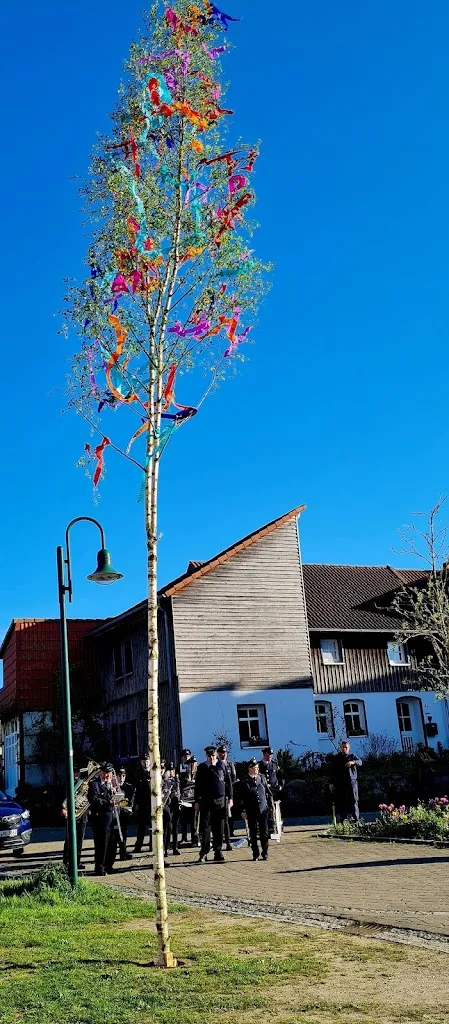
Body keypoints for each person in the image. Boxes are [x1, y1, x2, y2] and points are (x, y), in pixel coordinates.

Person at [194, 745, 233, 863]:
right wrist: (196, 801)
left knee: (219, 828)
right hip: (206, 801)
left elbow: (228, 783)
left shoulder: (222, 765)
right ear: (206, 756)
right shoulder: (202, 767)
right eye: (209, 756)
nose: (211, 758)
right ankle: (204, 852)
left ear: (216, 755)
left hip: (220, 801)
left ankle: (218, 851)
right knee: (205, 828)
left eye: (213, 755)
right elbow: (198, 786)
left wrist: (230, 799)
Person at [88, 763, 115, 876]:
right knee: (101, 844)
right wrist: (107, 802)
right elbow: (93, 799)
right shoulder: (94, 784)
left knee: (112, 844)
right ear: (100, 773)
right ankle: (99, 867)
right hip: (100, 819)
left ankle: (109, 865)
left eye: (109, 774)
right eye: (105, 774)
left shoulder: (112, 784)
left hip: (112, 819)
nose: (107, 776)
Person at [240, 758, 270, 861]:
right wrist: (243, 810)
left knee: (264, 833)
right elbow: (242, 798)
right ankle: (255, 853)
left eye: (257, 768)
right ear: (250, 769)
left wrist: (271, 805)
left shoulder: (262, 778)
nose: (257, 770)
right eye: (254, 768)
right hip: (251, 810)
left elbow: (267, 792)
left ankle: (265, 852)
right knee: (253, 833)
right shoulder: (244, 781)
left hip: (263, 809)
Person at [62, 765, 87, 872]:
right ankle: (66, 860)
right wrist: (63, 809)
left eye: (78, 772)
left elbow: (86, 797)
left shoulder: (84, 784)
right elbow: (62, 799)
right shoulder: (67, 784)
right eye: (74, 772)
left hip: (82, 814)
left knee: (80, 839)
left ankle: (77, 861)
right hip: (70, 814)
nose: (76, 774)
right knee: (69, 839)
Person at [329, 740, 362, 821]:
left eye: (346, 747)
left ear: (349, 748)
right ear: (340, 748)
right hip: (340, 782)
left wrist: (352, 762)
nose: (344, 749)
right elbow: (332, 771)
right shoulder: (336, 758)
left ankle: (355, 818)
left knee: (354, 800)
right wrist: (331, 783)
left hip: (352, 782)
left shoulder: (352, 756)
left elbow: (360, 762)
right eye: (343, 747)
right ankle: (343, 819)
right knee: (341, 801)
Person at [258, 747, 284, 837]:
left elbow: (280, 776)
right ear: (264, 754)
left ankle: (279, 827)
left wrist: (280, 785)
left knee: (276, 809)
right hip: (265, 792)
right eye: (268, 754)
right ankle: (270, 829)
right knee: (268, 810)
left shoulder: (274, 764)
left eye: (271, 755)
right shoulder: (259, 765)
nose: (270, 756)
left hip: (275, 791)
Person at [217, 745, 237, 849]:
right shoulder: (216, 765)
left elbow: (233, 779)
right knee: (221, 819)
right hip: (220, 795)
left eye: (224, 753)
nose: (223, 755)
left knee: (229, 817)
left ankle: (229, 837)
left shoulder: (230, 765)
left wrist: (231, 796)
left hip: (229, 794)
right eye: (221, 753)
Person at [178, 748, 198, 846]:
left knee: (194, 820)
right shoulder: (181, 770)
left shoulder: (197, 772)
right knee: (184, 820)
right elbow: (180, 784)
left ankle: (195, 838)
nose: (186, 757)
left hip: (194, 799)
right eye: (185, 756)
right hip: (185, 799)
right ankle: (184, 837)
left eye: (188, 756)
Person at [133, 752, 153, 854]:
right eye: (144, 761)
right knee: (141, 827)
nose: (146, 763)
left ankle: (152, 845)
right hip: (142, 803)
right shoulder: (138, 773)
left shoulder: (153, 772)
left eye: (147, 761)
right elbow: (137, 789)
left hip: (152, 803)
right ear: (141, 762)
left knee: (152, 826)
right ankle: (138, 845)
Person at [162, 763, 181, 857]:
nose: (172, 772)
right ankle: (166, 848)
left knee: (175, 828)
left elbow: (178, 792)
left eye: (173, 770)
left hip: (175, 806)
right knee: (168, 828)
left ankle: (175, 847)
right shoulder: (164, 781)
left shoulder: (176, 781)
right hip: (168, 807)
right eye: (171, 770)